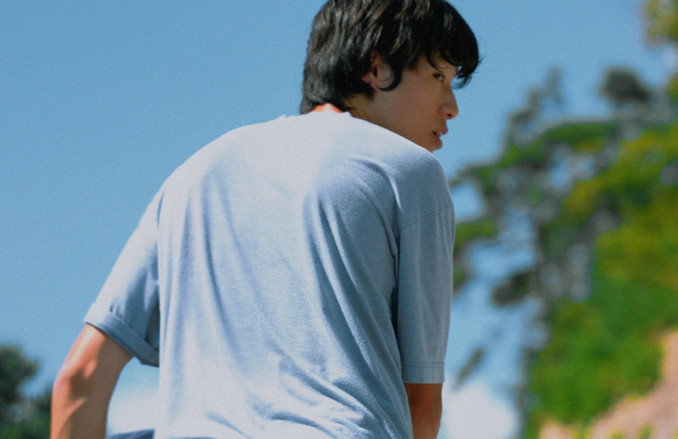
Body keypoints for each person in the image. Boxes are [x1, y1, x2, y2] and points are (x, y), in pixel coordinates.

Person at [51, 0, 479, 437]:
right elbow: (420, 404)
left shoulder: (193, 174)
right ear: (377, 69)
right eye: (438, 77)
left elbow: (80, 378)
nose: (451, 107)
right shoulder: (409, 172)